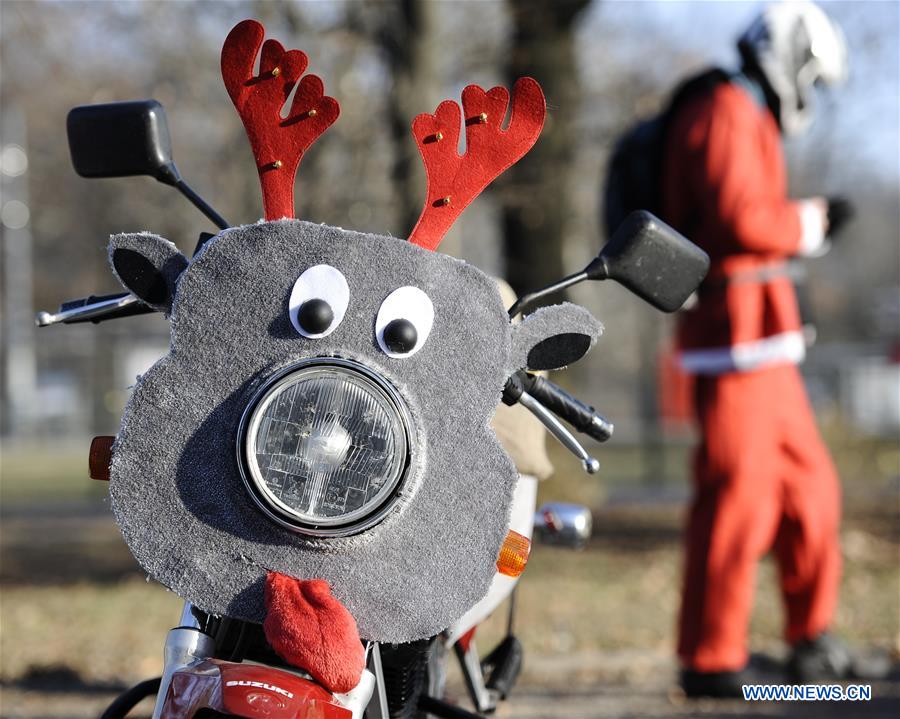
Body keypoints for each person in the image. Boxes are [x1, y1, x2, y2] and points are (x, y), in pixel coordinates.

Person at [658, 1, 857, 697]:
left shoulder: (741, 110)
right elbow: (737, 216)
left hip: (765, 341)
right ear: (791, 56)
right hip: (731, 343)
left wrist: (808, 223)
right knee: (738, 499)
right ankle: (711, 659)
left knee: (812, 491)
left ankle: (811, 640)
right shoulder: (722, 110)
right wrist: (813, 220)